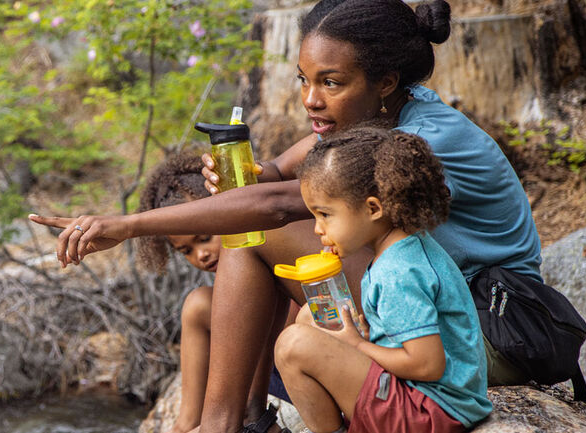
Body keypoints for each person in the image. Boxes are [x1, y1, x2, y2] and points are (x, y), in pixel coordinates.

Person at [28, 1, 539, 431]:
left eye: (331, 82)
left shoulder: (427, 138)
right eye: (304, 80)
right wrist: (250, 171)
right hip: (434, 308)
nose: (311, 100)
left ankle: (226, 423)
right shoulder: (383, 113)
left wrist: (127, 226)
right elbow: (275, 175)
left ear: (384, 80)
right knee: (265, 259)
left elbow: (275, 206)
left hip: (488, 328)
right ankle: (245, 420)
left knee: (254, 236)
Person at [275, 127, 490, 433]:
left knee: (291, 345)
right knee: (312, 316)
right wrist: (364, 336)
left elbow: (428, 365)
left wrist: (358, 346)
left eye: (325, 215)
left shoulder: (397, 272)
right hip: (429, 398)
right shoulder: (403, 248)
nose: (317, 229)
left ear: (373, 208)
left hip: (429, 411)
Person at [137, 153, 299, 433]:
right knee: (197, 303)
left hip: (291, 376)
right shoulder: (209, 300)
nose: (201, 255)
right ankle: (186, 425)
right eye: (185, 250)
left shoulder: (273, 243)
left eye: (205, 237)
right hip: (257, 382)